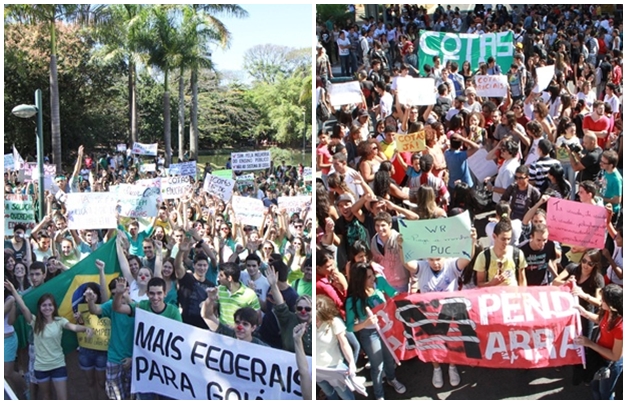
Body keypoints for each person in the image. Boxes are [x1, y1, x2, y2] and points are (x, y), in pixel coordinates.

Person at [408, 227, 476, 388]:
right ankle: (437, 368)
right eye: (432, 259)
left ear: (445, 256)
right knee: (432, 342)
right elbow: (408, 264)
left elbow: (467, 257)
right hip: (428, 313)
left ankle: (452, 366)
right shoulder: (422, 266)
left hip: (450, 311)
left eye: (439, 259)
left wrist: (472, 240)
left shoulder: (452, 265)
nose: (436, 263)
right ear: (427, 259)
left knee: (452, 341)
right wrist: (402, 247)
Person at [5, 282, 93, 401]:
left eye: (50, 305)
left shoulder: (60, 321)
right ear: (40, 308)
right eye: (44, 305)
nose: (47, 308)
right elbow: (24, 308)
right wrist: (13, 291)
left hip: (58, 365)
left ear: (54, 307)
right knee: (46, 396)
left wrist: (85, 328)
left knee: (63, 398)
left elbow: (74, 327)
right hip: (41, 367)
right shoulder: (35, 322)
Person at [345, 262, 406, 400]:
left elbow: (394, 294)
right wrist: (365, 323)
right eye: (369, 277)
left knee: (389, 358)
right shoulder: (352, 300)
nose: (373, 279)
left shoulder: (380, 282)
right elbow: (349, 326)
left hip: (387, 329)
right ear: (359, 280)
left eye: (372, 275)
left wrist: (406, 298)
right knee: (377, 366)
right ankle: (379, 394)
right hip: (369, 333)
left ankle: (391, 379)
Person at [575, 284, 623, 399]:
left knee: (605, 393)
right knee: (595, 388)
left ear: (612, 305)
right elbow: (600, 321)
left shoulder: (621, 326)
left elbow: (615, 356)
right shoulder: (609, 312)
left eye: (603, 300)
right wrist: (584, 312)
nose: (600, 301)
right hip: (599, 358)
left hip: (610, 364)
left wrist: (590, 344)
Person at [315, 294, 356, 400]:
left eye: (318, 318)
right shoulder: (308, 322)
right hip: (316, 370)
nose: (315, 320)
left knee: (345, 396)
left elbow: (344, 343)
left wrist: (351, 363)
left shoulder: (334, 322)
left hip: (333, 368)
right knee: (329, 393)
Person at [474, 218, 528, 287]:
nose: (506, 242)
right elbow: (479, 284)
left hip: (513, 295)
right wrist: (492, 283)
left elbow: (522, 280)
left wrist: (523, 296)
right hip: (493, 296)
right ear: (494, 236)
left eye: (509, 239)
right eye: (503, 239)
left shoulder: (517, 254)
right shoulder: (483, 256)